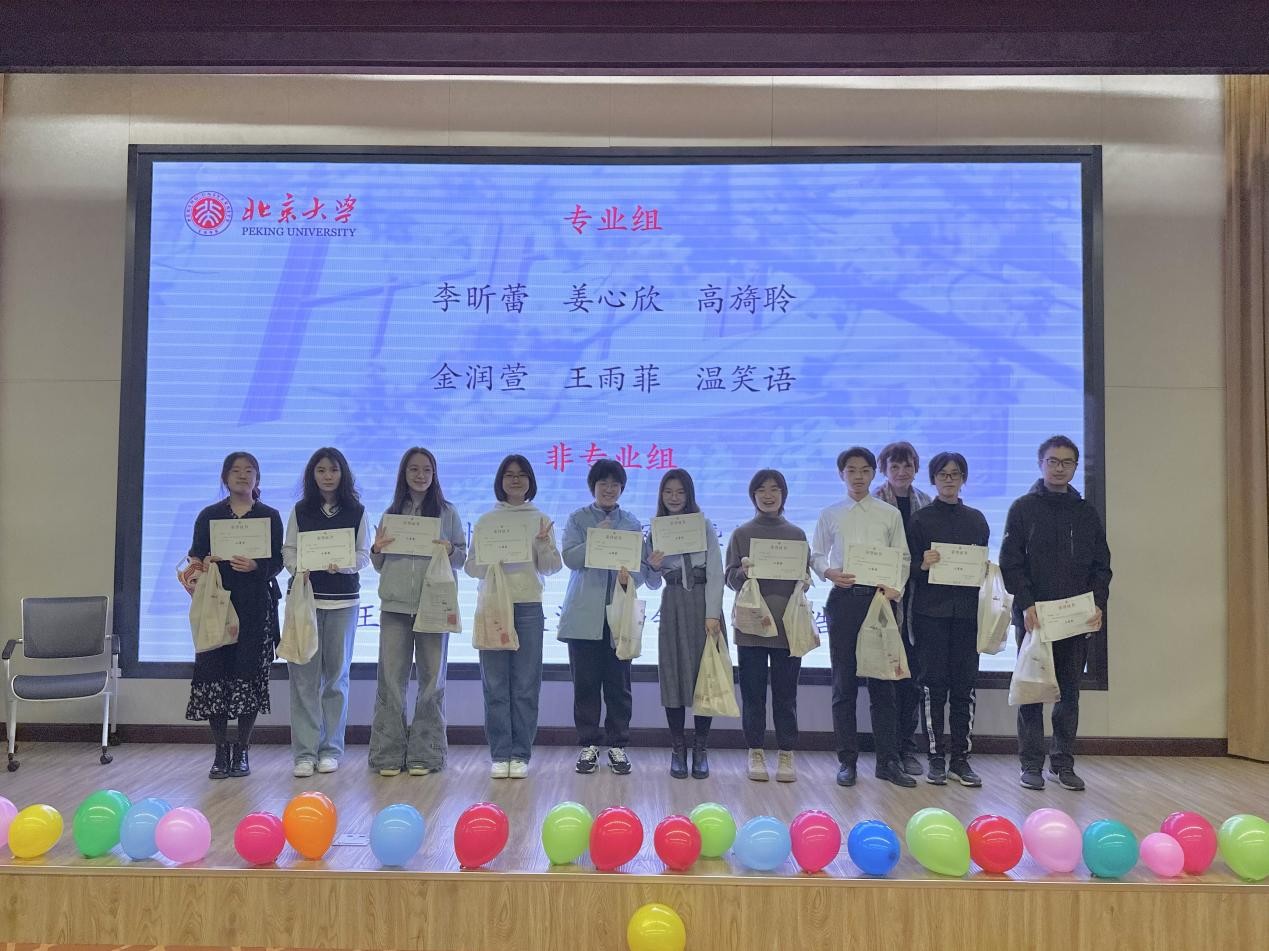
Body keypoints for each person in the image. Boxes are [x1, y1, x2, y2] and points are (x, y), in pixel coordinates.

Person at [999, 435, 1111, 792]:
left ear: (1075, 467)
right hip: (1034, 617)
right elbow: (1010, 563)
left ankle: (1062, 763)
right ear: (1041, 464)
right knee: (1033, 692)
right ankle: (1031, 764)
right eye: (1053, 461)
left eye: (1066, 462)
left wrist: (1097, 604)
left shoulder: (1086, 512)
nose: (1059, 468)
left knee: (1069, 693)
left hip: (1074, 620)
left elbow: (1102, 566)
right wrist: (1027, 603)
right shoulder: (1022, 508)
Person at [812, 446, 915, 788]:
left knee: (883, 685)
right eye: (851, 470)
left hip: (879, 601)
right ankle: (847, 762)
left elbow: (902, 557)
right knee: (844, 685)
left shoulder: (889, 514)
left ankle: (887, 762)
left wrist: (896, 587)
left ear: (873, 474)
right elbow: (816, 554)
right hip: (844, 600)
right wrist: (829, 572)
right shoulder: (830, 513)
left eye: (864, 470)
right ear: (841, 474)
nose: (858, 476)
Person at [182, 452, 283, 780]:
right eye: (235, 471)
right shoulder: (209, 515)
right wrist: (202, 564)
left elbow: (278, 561)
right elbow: (195, 556)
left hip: (255, 607)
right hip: (217, 605)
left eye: (249, 471)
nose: (242, 475)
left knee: (248, 678)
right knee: (215, 676)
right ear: (225, 477)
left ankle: (242, 750)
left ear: (257, 478)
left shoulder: (269, 516)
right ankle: (219, 751)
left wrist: (256, 566)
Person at [367, 447, 466, 778]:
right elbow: (379, 564)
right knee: (390, 682)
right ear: (404, 474)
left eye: (426, 469)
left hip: (433, 605)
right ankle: (387, 754)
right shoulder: (391, 513)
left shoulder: (447, 513)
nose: (420, 475)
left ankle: (427, 754)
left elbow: (462, 557)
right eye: (414, 469)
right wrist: (376, 549)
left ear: (434, 474)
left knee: (431, 683)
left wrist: (450, 549)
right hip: (395, 606)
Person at [465, 454, 561, 779]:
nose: (515, 480)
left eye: (521, 474)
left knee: (525, 685)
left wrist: (544, 544)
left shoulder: (540, 519)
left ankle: (520, 754)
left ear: (530, 480)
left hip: (528, 606)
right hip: (493, 606)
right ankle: (500, 753)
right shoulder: (486, 521)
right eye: (509, 474)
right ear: (500, 481)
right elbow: (471, 568)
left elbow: (552, 567)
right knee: (494, 684)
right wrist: (492, 559)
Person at [282, 447, 371, 778]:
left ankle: (331, 749)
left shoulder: (357, 510)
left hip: (343, 603)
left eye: (333, 470)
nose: (328, 476)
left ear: (342, 473)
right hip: (305, 601)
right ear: (312, 475)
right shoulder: (300, 510)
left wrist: (344, 565)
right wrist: (299, 567)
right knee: (303, 680)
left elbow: (363, 555)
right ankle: (305, 753)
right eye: (321, 470)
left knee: (336, 678)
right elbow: (289, 549)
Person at [558, 459, 648, 775]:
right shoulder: (578, 519)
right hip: (584, 616)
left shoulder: (632, 523)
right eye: (602, 484)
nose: (609, 489)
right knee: (585, 685)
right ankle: (589, 745)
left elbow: (640, 571)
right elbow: (570, 558)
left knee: (619, 686)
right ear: (592, 487)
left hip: (620, 617)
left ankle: (618, 746)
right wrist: (596, 538)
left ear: (622, 488)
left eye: (614, 484)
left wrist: (629, 579)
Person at [906, 451, 991, 787]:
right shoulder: (920, 520)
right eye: (943, 474)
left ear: (963, 479)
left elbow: (983, 565)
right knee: (933, 688)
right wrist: (922, 564)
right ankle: (935, 758)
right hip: (930, 615)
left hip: (968, 615)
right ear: (933, 479)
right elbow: (907, 568)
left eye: (955, 473)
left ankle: (961, 759)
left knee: (964, 688)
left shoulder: (977, 520)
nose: (949, 479)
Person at [724, 469, 808, 783]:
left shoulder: (797, 535)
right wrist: (743, 573)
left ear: (783, 494)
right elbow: (730, 579)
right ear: (753, 495)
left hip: (788, 629)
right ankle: (755, 751)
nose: (768, 495)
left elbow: (803, 579)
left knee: (787, 696)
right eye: (761, 489)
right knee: (753, 695)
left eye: (774, 489)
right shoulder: (741, 533)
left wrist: (805, 580)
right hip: (751, 627)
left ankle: (786, 753)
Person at [643, 468, 724, 779]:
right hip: (673, 601)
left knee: (706, 676)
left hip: (703, 602)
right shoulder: (655, 531)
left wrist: (712, 613)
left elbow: (715, 571)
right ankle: (678, 749)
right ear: (661, 496)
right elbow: (652, 583)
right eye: (668, 492)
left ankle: (701, 748)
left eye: (680, 492)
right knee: (673, 673)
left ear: (689, 494)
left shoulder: (703, 525)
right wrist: (653, 567)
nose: (674, 498)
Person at [874, 440, 932, 776]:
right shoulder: (873, 504)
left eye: (907, 465)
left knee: (911, 679)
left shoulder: (927, 503)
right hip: (882, 600)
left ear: (916, 468)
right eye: (894, 466)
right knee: (885, 680)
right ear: (884, 470)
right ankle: (887, 750)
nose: (901, 472)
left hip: (918, 602)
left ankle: (907, 747)